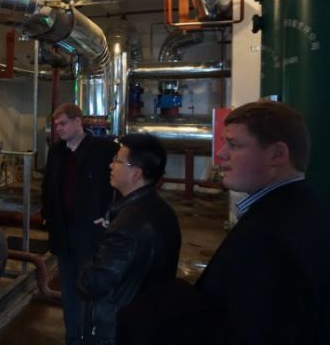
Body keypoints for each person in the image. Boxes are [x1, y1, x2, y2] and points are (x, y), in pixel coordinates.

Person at [192, 100, 330, 344]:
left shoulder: (267, 237)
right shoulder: (305, 204)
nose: (221, 154)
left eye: (234, 145)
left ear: (277, 154)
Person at [77, 133, 181, 345]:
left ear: (136, 174)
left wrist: (94, 248)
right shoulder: (163, 211)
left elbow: (92, 282)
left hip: (116, 329)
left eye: (117, 161)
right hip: (147, 322)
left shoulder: (129, 225)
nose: (111, 165)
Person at [41, 103, 119, 345]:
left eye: (63, 123)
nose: (58, 128)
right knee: (69, 290)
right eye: (56, 124)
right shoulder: (56, 152)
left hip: (90, 233)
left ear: (78, 122)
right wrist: (47, 215)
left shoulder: (104, 150)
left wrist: (111, 214)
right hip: (63, 233)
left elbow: (125, 183)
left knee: (91, 289)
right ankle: (73, 338)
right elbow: (47, 185)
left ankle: (92, 338)